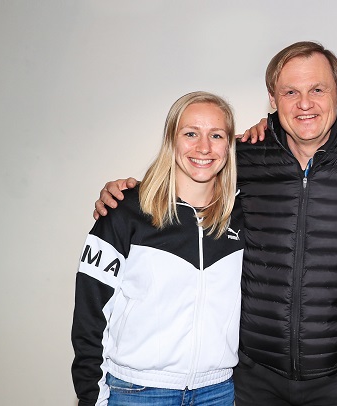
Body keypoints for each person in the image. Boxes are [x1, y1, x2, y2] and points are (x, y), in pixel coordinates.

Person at [93, 42, 337, 406]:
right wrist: (128, 193)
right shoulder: (244, 157)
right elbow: (191, 171)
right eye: (290, 92)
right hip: (254, 378)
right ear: (273, 99)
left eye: (317, 89)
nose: (304, 103)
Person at [71, 91, 244, 406]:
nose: (204, 147)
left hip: (218, 393)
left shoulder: (243, 216)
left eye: (216, 135)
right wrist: (90, 396)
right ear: (171, 140)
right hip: (136, 393)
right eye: (190, 133)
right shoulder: (126, 211)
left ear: (228, 144)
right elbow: (89, 313)